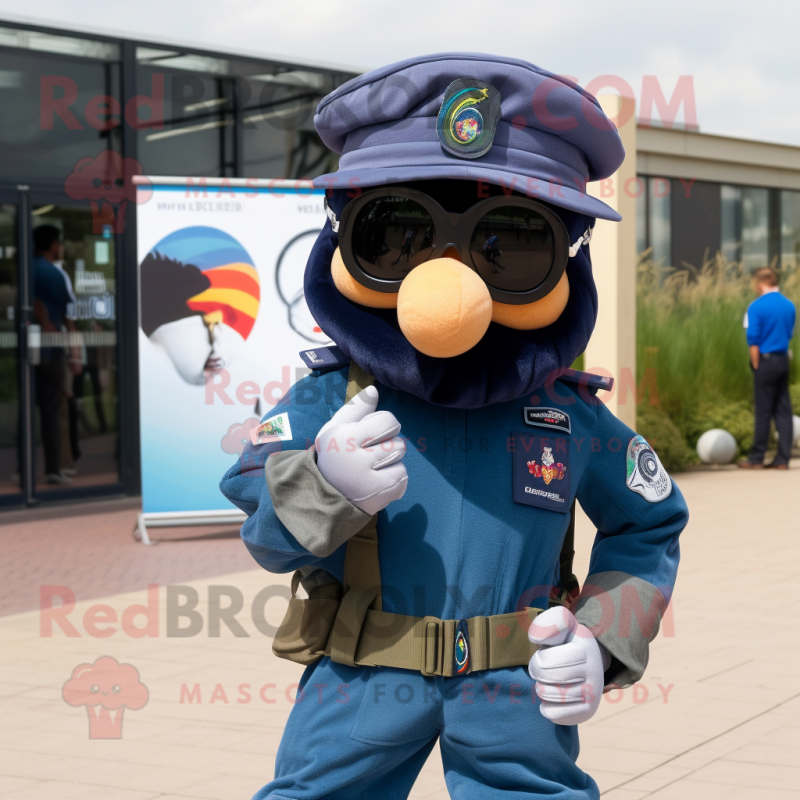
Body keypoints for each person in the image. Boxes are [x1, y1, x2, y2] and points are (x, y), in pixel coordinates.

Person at [221, 53, 688, 800]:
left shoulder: (565, 412)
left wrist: (603, 639)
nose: (451, 280)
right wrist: (321, 486)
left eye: (511, 243)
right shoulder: (333, 397)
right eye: (396, 235)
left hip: (516, 686)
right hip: (361, 676)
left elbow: (649, 524)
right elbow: (259, 519)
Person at [31, 225, 81, 485]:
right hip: (51, 349)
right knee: (54, 407)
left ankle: (24, 467)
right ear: (53, 244)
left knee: (28, 407)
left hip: (28, 349)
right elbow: (67, 319)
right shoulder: (55, 275)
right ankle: (55, 466)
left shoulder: (26, 270)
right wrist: (75, 355)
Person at [739, 266, 796, 470]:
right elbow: (789, 334)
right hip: (782, 359)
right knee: (783, 409)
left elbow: (753, 339)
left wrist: (756, 365)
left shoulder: (757, 306)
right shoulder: (789, 305)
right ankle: (783, 459)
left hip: (765, 359)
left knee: (763, 410)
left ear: (760, 283)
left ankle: (757, 457)